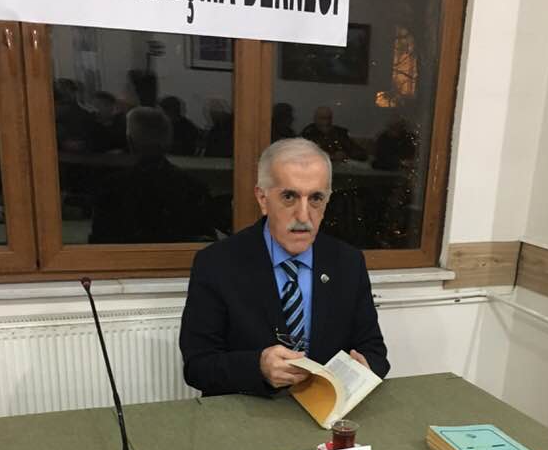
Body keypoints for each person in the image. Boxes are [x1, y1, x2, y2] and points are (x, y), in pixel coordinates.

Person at [179, 138, 389, 396]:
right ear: (262, 198)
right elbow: (197, 367)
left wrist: (366, 370)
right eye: (289, 197)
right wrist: (257, 367)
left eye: (316, 198)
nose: (303, 216)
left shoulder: (348, 262)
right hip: (247, 409)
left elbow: (374, 351)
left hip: (323, 410)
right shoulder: (216, 263)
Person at [89, 107, 214, 243]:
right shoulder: (194, 187)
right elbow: (205, 240)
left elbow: (99, 241)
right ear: (168, 141)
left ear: (130, 141)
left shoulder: (111, 188)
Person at [301, 106, 366, 162]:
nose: (326, 121)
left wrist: (345, 154)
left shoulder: (339, 133)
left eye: (329, 118)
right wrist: (331, 157)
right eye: (322, 118)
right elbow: (301, 155)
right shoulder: (308, 134)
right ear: (315, 119)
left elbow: (360, 153)